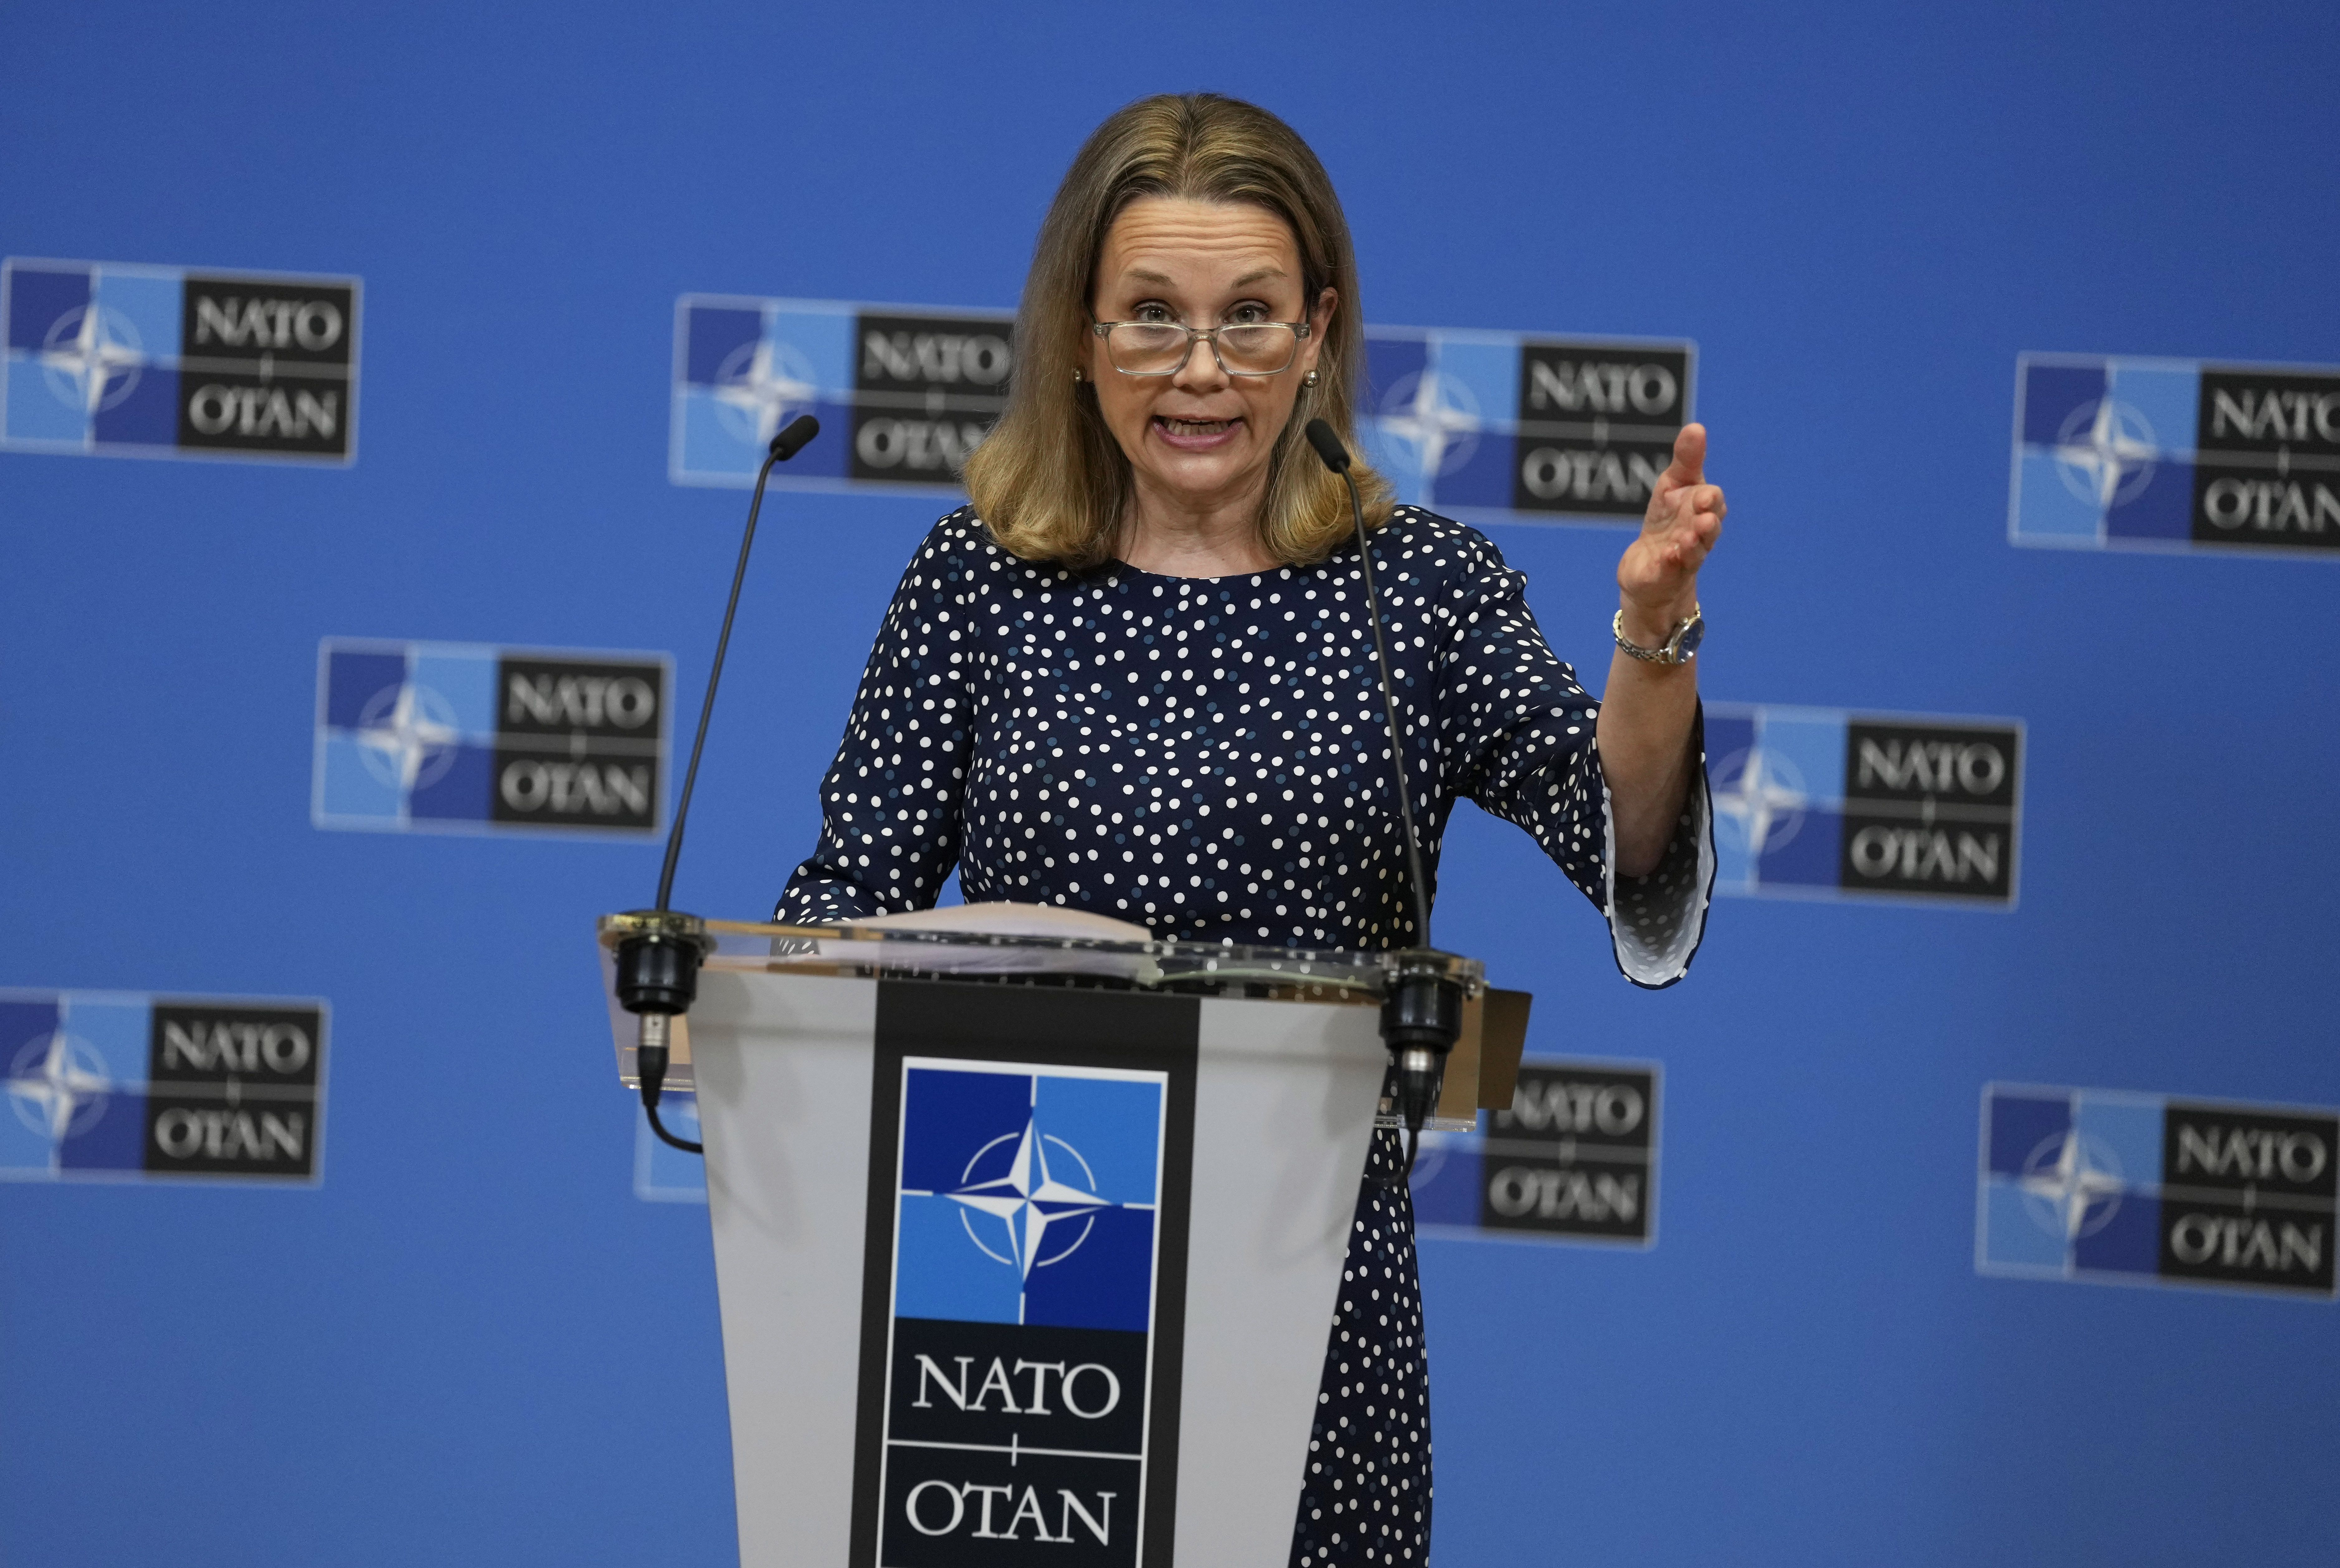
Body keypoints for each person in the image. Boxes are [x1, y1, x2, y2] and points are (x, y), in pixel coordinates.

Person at [777, 92, 1720, 1567]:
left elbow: (1626, 837)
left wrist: (1650, 640)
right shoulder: (977, 583)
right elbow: (834, 925)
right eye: (1149, 315)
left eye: (1251, 317)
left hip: (1307, 1302)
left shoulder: (1413, 590)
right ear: (1078, 336)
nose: (1199, 369)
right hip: (1013, 1302)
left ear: (1320, 333)